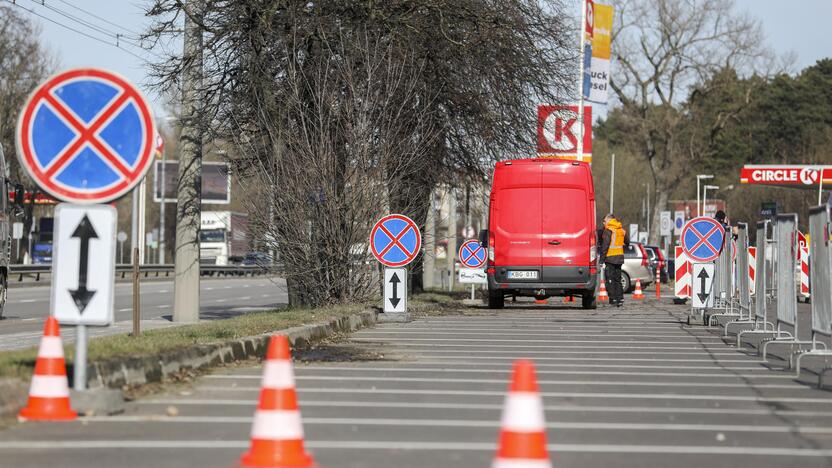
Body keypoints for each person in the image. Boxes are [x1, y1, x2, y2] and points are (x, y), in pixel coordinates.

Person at [599, 214, 629, 307]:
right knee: (618, 279)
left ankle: (613, 299)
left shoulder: (608, 230)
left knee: (610, 279)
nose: (604, 223)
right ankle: (620, 298)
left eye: (604, 221)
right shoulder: (621, 230)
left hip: (610, 258)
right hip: (619, 258)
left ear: (609, 220)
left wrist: (601, 260)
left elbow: (605, 246)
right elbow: (627, 242)